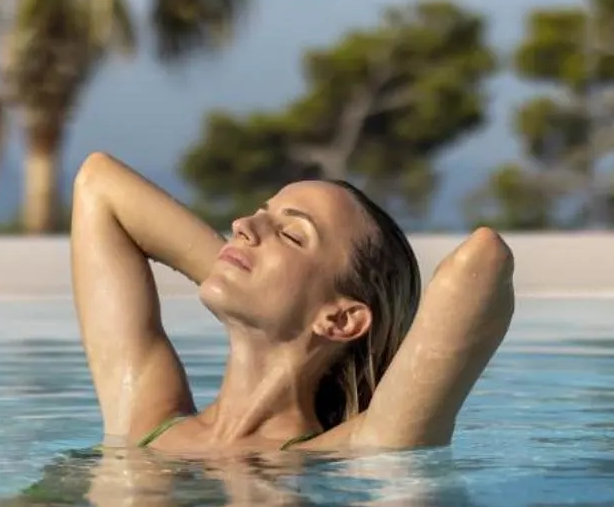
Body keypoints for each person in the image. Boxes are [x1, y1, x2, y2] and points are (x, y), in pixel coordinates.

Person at [69, 151, 515, 454]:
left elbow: (482, 262)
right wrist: (241, 271)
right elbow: (98, 182)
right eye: (259, 213)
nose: (243, 224)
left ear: (341, 319)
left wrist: (253, 279)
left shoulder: (356, 449)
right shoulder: (146, 420)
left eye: (290, 234)